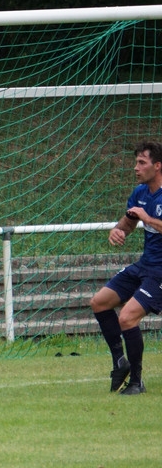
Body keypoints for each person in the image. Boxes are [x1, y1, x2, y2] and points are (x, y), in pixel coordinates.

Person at [89, 140, 162, 395]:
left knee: (127, 317)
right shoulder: (140, 192)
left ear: (157, 165)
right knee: (99, 302)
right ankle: (120, 362)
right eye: (136, 162)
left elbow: (145, 218)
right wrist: (118, 230)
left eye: (142, 163)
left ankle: (137, 382)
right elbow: (129, 222)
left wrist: (147, 218)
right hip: (145, 265)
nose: (136, 168)